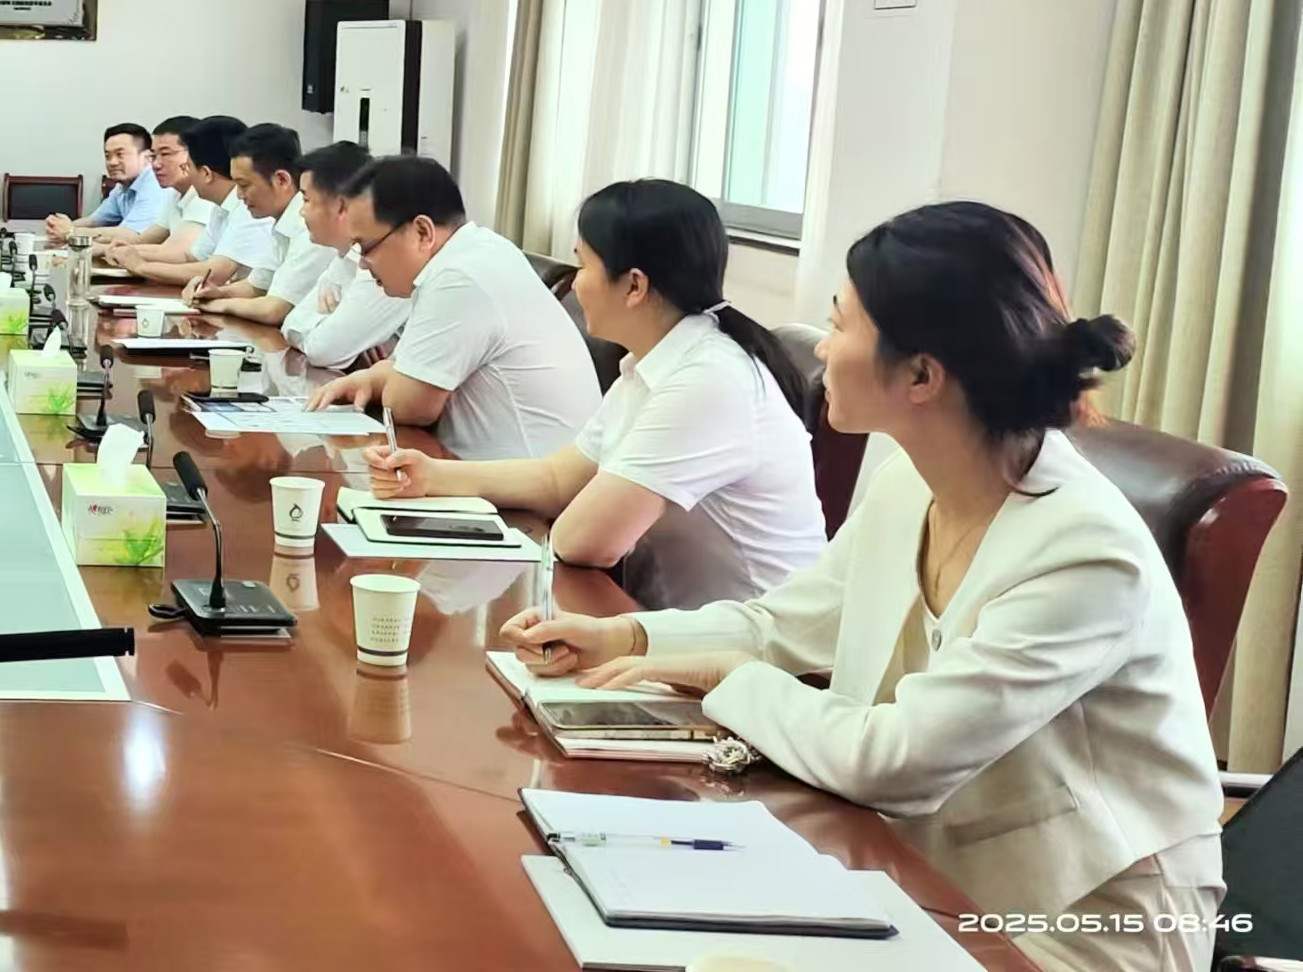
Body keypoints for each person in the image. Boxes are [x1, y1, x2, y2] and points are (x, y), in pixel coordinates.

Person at [505, 202, 1222, 972]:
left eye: (840, 324)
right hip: (921, 872)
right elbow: (786, 624)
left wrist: (731, 678)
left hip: (1076, 926)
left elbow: (899, 760)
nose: (822, 346)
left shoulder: (1083, 551)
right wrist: (629, 636)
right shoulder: (910, 484)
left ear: (921, 374)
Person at [363, 180, 824, 592]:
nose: (576, 283)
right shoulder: (653, 364)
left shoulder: (709, 381)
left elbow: (584, 542)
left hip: (749, 647)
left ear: (634, 286)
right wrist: (431, 476)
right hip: (665, 624)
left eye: (583, 265)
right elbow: (559, 478)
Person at [305, 155, 597, 460]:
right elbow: (400, 369)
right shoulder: (473, 252)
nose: (363, 264)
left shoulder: (459, 278)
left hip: (524, 483)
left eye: (365, 247)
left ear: (422, 232)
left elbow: (408, 406)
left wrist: (388, 380)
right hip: (488, 469)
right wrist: (371, 379)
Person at [190, 124, 338, 328]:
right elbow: (256, 287)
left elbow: (274, 310)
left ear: (281, 180)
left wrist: (216, 305)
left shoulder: (310, 225)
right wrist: (215, 293)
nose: (239, 195)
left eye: (244, 185)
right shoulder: (280, 222)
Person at [281, 141, 408, 369]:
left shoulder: (382, 261)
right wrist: (327, 324)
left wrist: (326, 327)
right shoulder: (345, 255)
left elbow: (323, 352)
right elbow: (290, 325)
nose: (301, 211)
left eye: (306, 200)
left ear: (340, 206)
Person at [113, 115, 258, 287]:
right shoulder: (221, 207)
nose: (186, 173)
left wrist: (142, 267)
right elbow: (191, 257)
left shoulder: (248, 207)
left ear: (206, 173)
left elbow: (214, 273)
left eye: (188, 166)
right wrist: (130, 253)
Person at [93, 115, 213, 258]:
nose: (155, 164)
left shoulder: (205, 195)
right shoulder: (176, 193)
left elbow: (177, 252)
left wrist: (107, 250)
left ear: (195, 153)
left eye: (165, 154)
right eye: (154, 156)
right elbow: (144, 240)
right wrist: (95, 246)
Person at [47, 123, 166, 243]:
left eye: (120, 154)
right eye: (108, 156)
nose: (112, 162)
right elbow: (94, 221)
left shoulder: (155, 185)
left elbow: (132, 235)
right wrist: (59, 226)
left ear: (147, 157)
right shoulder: (122, 187)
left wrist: (71, 231)